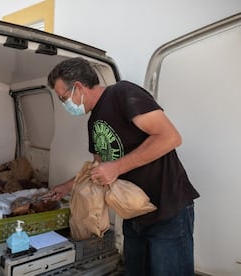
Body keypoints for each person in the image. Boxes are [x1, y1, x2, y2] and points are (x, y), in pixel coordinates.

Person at [47, 57, 200, 276]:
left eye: (63, 98)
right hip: (133, 213)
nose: (65, 105)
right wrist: (67, 186)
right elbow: (99, 167)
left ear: (78, 87)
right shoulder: (93, 121)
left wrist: (117, 168)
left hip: (167, 209)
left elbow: (170, 137)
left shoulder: (122, 94)